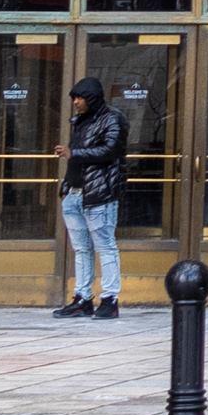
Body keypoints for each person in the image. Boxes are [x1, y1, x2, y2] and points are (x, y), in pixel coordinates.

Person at [60, 77, 126, 318]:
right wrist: (66, 187)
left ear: (92, 98)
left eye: (80, 98)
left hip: (99, 195)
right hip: (75, 194)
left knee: (105, 246)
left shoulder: (113, 119)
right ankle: (82, 298)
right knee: (81, 249)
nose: (76, 102)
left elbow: (110, 151)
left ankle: (110, 299)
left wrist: (74, 153)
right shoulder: (81, 121)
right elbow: (77, 160)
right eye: (74, 98)